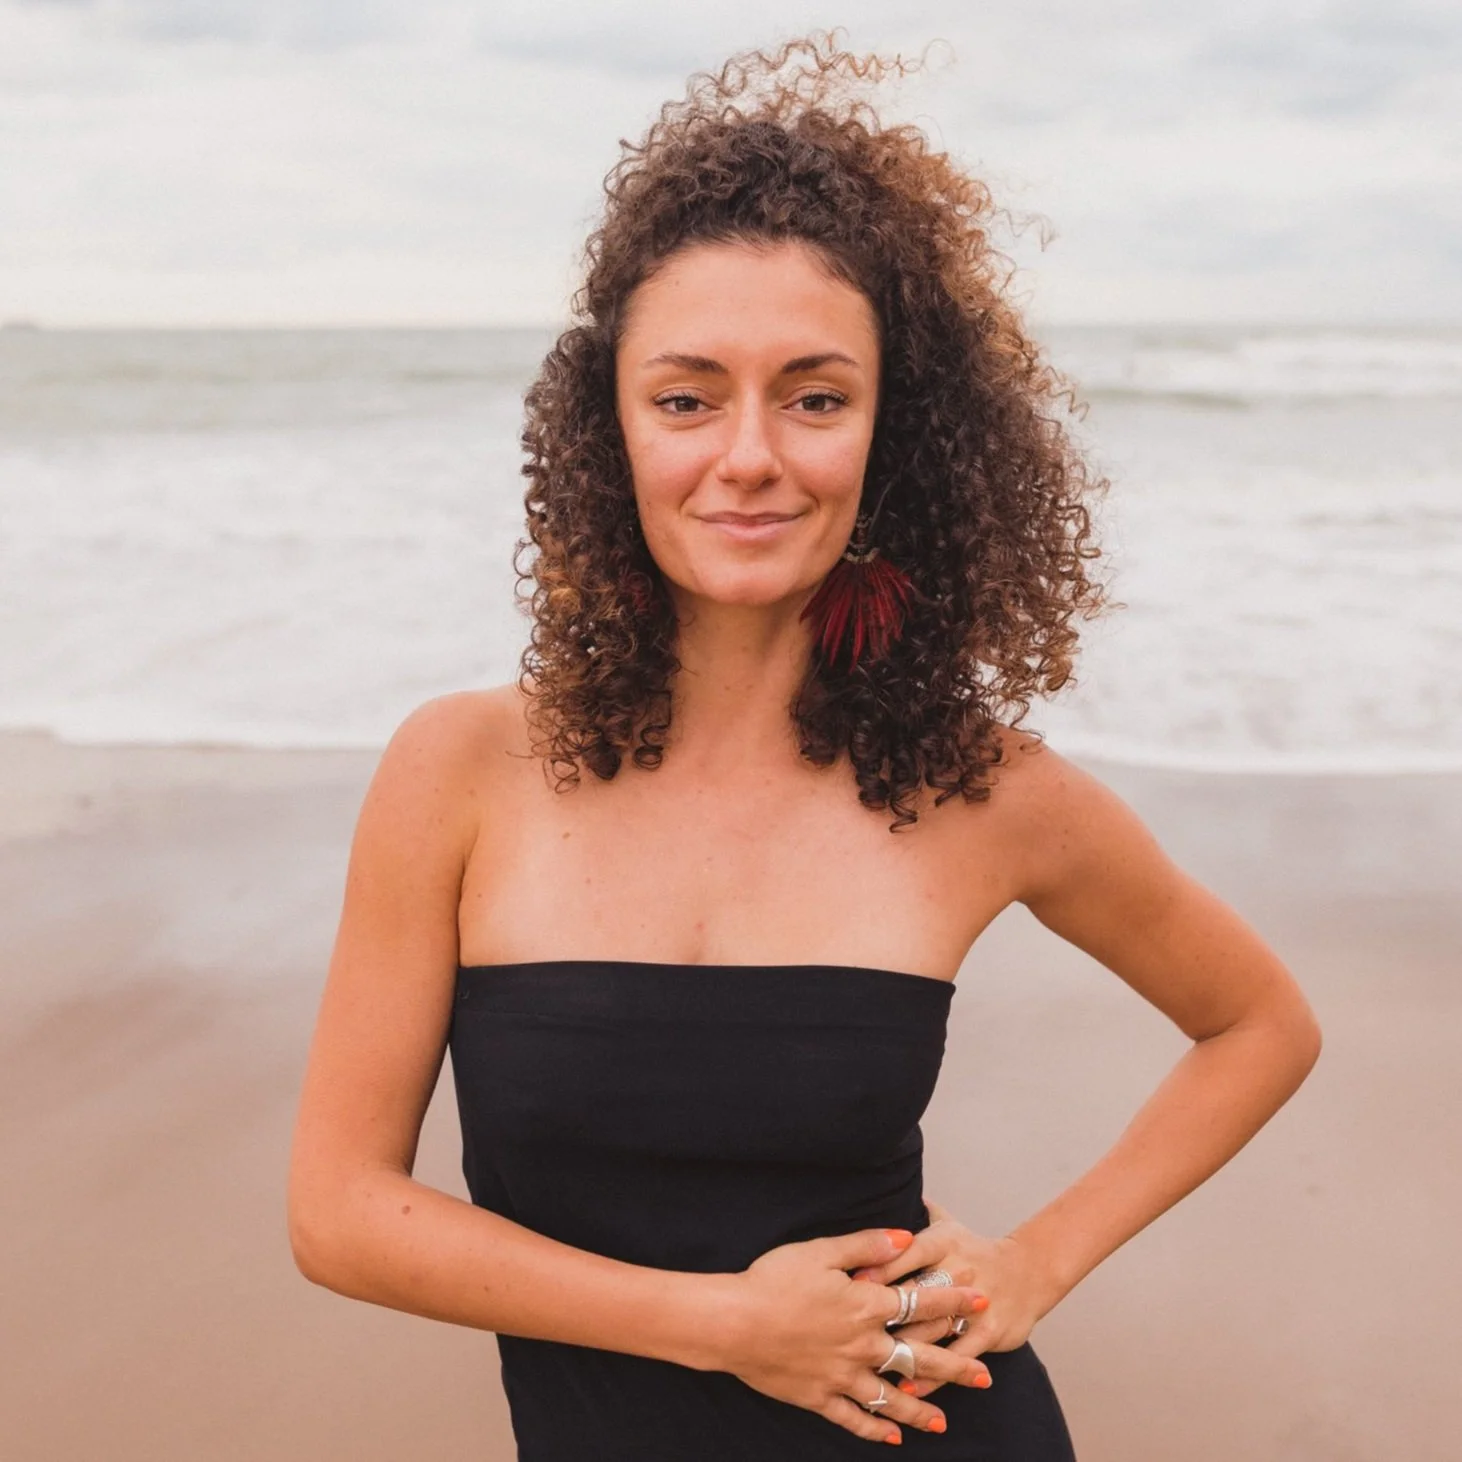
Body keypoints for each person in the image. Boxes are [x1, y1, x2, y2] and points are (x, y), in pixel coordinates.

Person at [287, 37, 1322, 1461]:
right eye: (686, 397)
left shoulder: (983, 791)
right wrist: (722, 1324)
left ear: (895, 435)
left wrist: (1035, 1261)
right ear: (609, 430)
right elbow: (340, 1213)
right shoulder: (463, 769)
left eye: (816, 396)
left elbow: (1259, 1024)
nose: (751, 455)